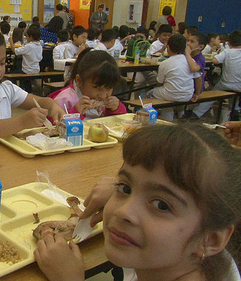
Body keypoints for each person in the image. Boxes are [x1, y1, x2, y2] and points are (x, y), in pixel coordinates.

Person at [35, 123, 241, 281]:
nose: (123, 212)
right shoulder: (171, 260)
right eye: (125, 188)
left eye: (162, 205)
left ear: (211, 240)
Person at [49, 48, 126, 119]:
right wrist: (75, 112)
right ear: (79, 81)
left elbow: (119, 122)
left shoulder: (105, 100)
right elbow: (52, 126)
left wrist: (116, 109)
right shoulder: (65, 99)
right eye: (97, 87)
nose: (102, 96)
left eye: (109, 88)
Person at [191, 30, 241, 120]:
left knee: (213, 91)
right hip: (239, 86)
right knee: (235, 95)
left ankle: (196, 112)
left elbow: (215, 60)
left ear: (228, 43)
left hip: (226, 83)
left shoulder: (227, 52)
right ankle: (236, 110)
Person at [145, 34, 194, 121]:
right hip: (188, 94)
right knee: (168, 92)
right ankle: (180, 113)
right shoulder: (191, 61)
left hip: (171, 94)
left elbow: (160, 83)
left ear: (168, 47)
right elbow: (198, 78)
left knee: (150, 93)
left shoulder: (165, 63)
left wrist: (157, 90)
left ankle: (164, 117)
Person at [9, 25, 43, 93]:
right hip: (36, 69)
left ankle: (19, 91)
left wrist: (11, 41)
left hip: (27, 70)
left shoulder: (28, 46)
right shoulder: (40, 46)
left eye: (27, 36)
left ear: (30, 37)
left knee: (11, 74)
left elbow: (15, 51)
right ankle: (29, 89)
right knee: (24, 75)